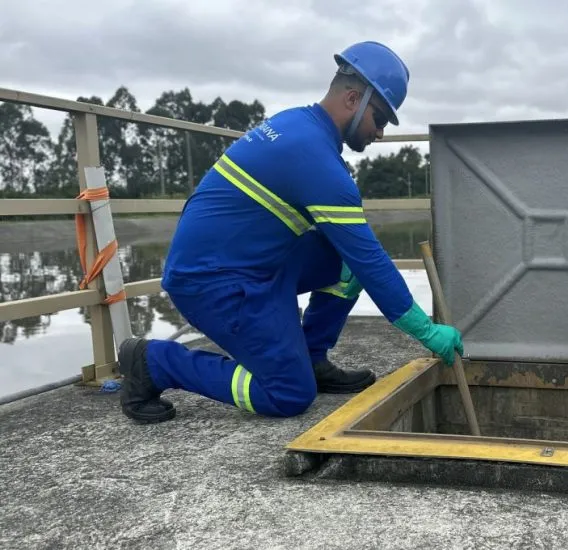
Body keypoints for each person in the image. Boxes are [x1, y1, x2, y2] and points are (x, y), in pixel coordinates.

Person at [116, 41, 464, 424]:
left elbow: (358, 257)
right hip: (211, 282)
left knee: (346, 262)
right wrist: (426, 331)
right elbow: (372, 262)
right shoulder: (315, 160)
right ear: (353, 99)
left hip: (249, 264)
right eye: (379, 118)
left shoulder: (297, 125)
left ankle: (311, 357)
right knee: (289, 393)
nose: (379, 132)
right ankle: (155, 362)